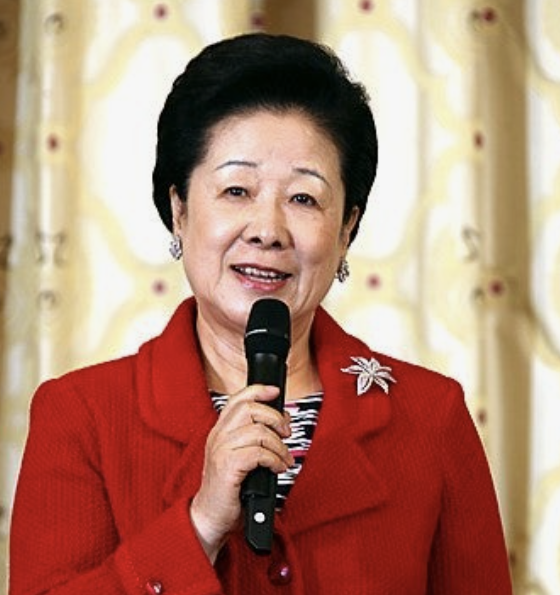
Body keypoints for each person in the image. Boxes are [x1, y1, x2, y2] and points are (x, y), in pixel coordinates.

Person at [9, 33, 513, 594]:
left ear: (346, 228)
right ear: (179, 210)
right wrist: (199, 525)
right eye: (236, 190)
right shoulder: (81, 416)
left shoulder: (431, 419)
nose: (268, 230)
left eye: (303, 198)